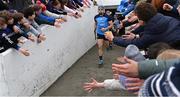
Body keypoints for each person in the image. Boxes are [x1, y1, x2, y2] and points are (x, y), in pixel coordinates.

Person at [105, 2, 180, 49]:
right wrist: (136, 36)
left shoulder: (151, 33)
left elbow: (136, 43)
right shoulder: (167, 18)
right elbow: (154, 33)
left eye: (137, 18)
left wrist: (113, 38)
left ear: (142, 20)